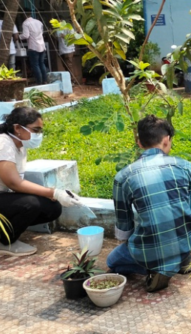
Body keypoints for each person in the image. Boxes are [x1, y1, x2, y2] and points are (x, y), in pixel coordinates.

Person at [107, 115, 191, 293]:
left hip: (149, 246)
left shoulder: (123, 177)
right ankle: (181, 260)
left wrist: (129, 244)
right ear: (167, 140)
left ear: (139, 142)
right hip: (187, 239)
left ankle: (158, 267)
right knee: (179, 227)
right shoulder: (187, 167)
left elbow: (124, 225)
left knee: (112, 262)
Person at [0, 107, 82, 256]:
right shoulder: (3, 144)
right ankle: (4, 242)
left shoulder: (19, 146)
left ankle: (7, 229)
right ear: (17, 128)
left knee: (52, 208)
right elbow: (13, 183)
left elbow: (16, 183)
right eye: (35, 130)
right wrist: (53, 192)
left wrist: (50, 195)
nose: (38, 135)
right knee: (30, 204)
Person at [20, 12, 47, 84]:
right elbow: (42, 33)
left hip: (33, 47)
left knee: (35, 65)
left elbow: (26, 35)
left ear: (23, 15)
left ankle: (39, 82)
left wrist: (19, 36)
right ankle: (44, 80)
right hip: (42, 46)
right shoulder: (39, 22)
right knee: (42, 63)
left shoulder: (25, 23)